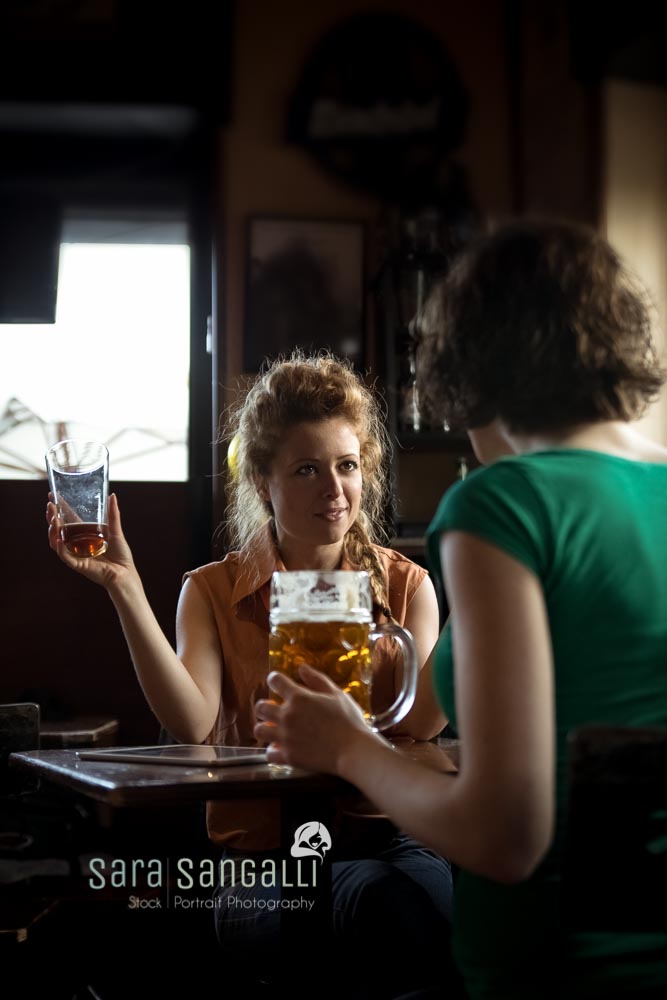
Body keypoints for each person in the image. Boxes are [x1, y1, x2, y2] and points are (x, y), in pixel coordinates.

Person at [254, 221, 667, 999]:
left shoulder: (500, 503)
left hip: (553, 970)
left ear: (465, 362)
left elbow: (502, 838)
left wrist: (346, 749)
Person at [46, 352, 453, 999]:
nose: (334, 489)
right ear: (263, 480)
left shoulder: (407, 584)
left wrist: (491, 587)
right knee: (378, 914)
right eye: (306, 469)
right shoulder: (212, 590)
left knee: (400, 901)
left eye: (347, 466)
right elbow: (192, 721)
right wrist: (123, 587)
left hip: (389, 841)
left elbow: (423, 722)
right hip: (260, 867)